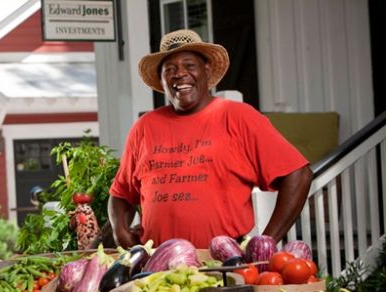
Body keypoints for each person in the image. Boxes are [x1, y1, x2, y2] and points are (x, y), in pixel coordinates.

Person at [108, 29, 313, 250]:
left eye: (189, 65)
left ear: (206, 70)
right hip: (156, 266)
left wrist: (267, 242)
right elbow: (121, 194)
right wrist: (119, 228)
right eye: (170, 69)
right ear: (162, 80)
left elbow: (299, 175)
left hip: (224, 264)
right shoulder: (145, 127)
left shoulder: (238, 117)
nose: (179, 74)